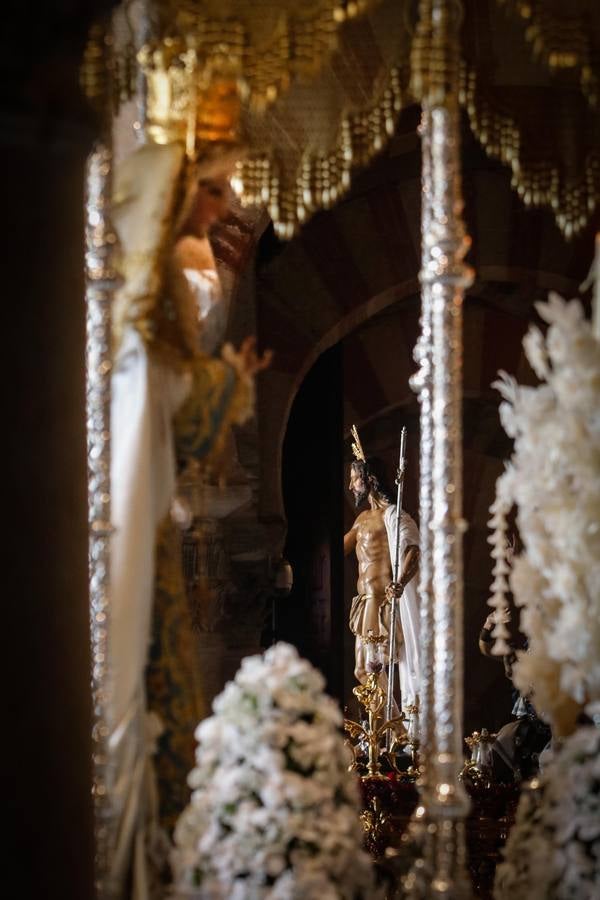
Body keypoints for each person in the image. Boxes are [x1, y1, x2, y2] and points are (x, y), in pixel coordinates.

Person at [344, 449, 420, 716]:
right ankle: (392, 731)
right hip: (364, 602)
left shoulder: (394, 516)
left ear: (369, 479)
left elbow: (412, 550)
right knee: (363, 671)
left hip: (382, 600)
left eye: (354, 478)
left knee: (373, 670)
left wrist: (400, 582)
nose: (351, 485)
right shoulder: (361, 520)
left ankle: (397, 732)